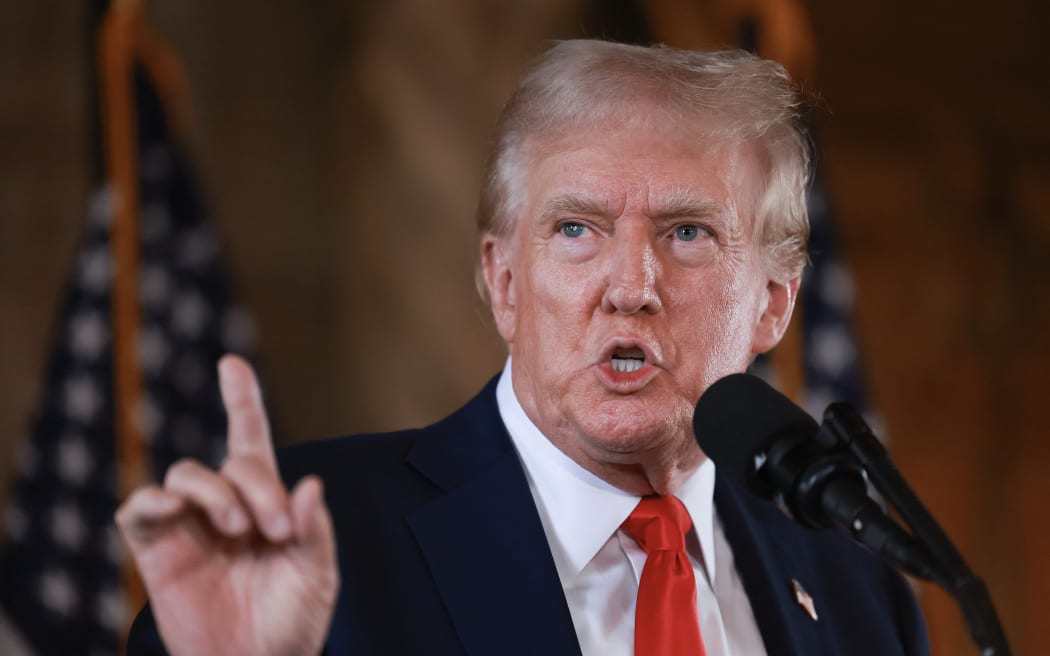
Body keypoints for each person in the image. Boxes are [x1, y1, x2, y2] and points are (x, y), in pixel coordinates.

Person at [116, 40, 929, 655]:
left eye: (688, 233)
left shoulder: (857, 593)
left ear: (774, 305)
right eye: (577, 229)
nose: (630, 284)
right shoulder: (320, 538)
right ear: (504, 282)